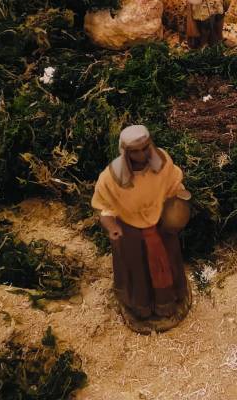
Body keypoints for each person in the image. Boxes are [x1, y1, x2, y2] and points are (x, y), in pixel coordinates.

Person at [92, 125, 192, 332]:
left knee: (168, 263)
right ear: (125, 152)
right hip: (129, 230)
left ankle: (170, 301)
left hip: (161, 225)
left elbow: (173, 184)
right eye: (135, 151)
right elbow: (104, 207)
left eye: (145, 148)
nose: (141, 154)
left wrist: (178, 202)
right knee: (136, 271)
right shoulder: (111, 177)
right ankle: (140, 310)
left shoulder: (162, 162)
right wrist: (112, 226)